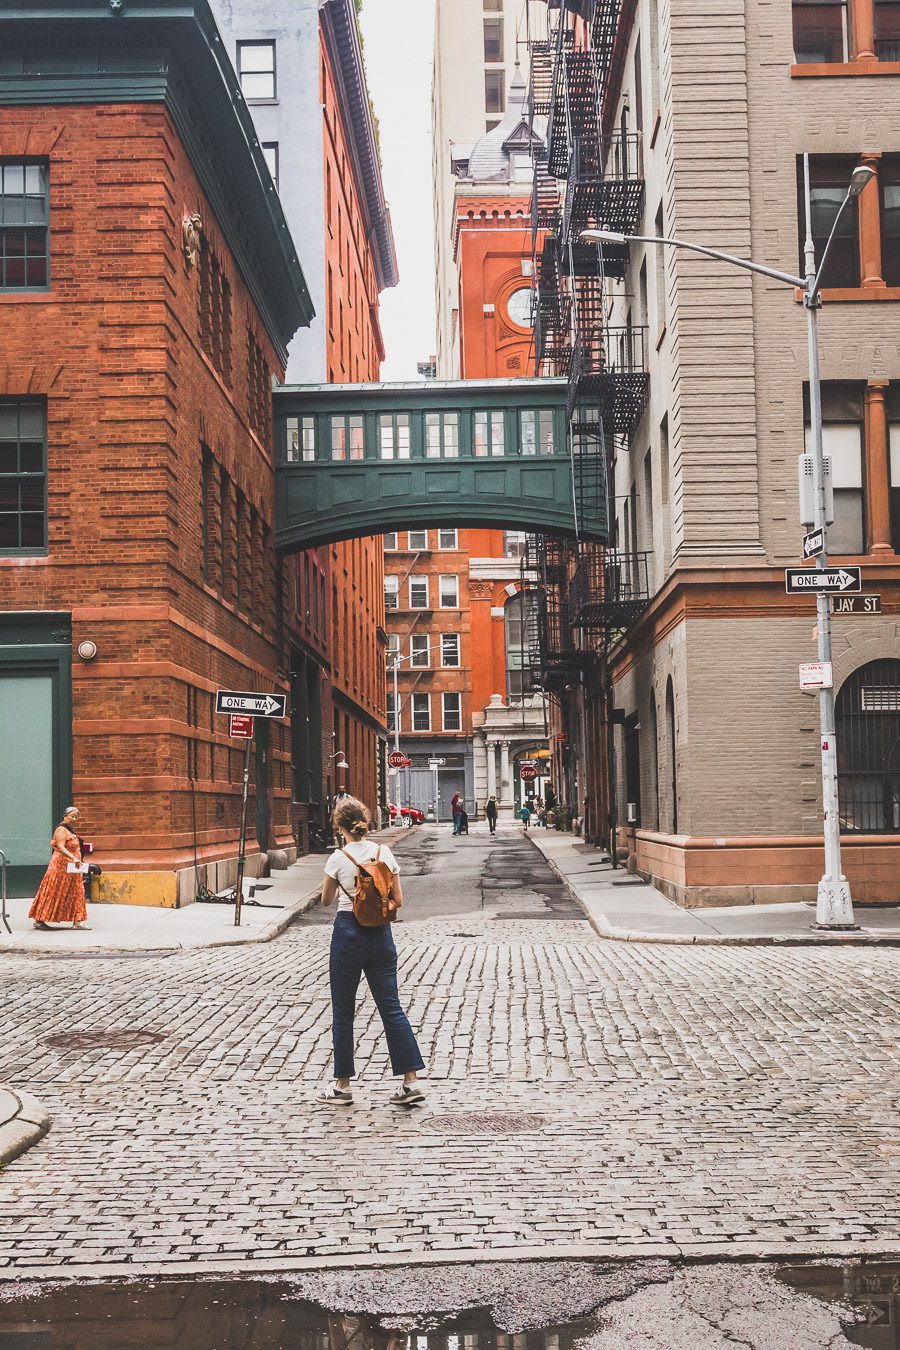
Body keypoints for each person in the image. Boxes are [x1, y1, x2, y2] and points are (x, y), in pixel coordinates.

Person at [320, 795, 425, 1108]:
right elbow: (399, 900)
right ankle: (410, 1082)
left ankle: (342, 1086)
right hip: (380, 934)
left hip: (347, 933)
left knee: (343, 1011)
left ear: (341, 828)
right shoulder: (384, 853)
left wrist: (343, 884)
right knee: (391, 1007)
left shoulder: (338, 858)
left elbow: (326, 900)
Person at [29, 806, 90, 930]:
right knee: (53, 890)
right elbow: (61, 847)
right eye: (72, 816)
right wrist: (73, 857)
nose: (74, 819)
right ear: (65, 816)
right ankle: (39, 919)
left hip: (72, 868)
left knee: (77, 890)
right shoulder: (61, 829)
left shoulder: (70, 830)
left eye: (76, 817)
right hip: (60, 867)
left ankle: (77, 922)